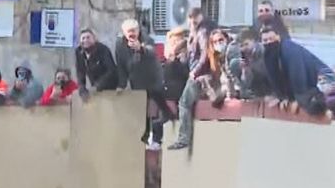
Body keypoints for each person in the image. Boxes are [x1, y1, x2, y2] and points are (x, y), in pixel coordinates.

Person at [168, 29, 234, 151]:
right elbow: (200, 68)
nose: (218, 44)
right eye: (215, 42)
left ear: (227, 39)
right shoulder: (211, 54)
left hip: (229, 87)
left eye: (221, 40)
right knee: (191, 92)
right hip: (212, 86)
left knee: (185, 101)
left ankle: (183, 139)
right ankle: (183, 139)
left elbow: (231, 74)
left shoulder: (232, 51)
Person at [115, 19, 171, 149]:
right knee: (141, 109)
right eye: (129, 32)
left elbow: (151, 51)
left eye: (134, 31)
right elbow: (121, 66)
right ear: (124, 33)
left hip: (152, 78)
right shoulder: (119, 44)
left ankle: (157, 139)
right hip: (137, 80)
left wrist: (141, 48)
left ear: (138, 30)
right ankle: (144, 138)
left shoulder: (147, 39)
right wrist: (121, 84)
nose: (132, 34)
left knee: (158, 109)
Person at [260, 26, 329, 115]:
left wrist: (298, 99)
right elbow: (274, 77)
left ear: (278, 37)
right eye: (265, 40)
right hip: (306, 84)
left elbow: (298, 73)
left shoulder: (289, 49)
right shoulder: (269, 54)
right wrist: (283, 97)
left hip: (318, 79)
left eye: (271, 39)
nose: (268, 42)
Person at [74, 28, 119, 96]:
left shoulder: (103, 50)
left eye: (88, 37)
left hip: (110, 85)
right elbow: (80, 71)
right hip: (94, 82)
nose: (85, 40)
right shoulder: (79, 52)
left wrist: (98, 85)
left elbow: (111, 70)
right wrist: (82, 88)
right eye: (83, 38)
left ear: (94, 39)